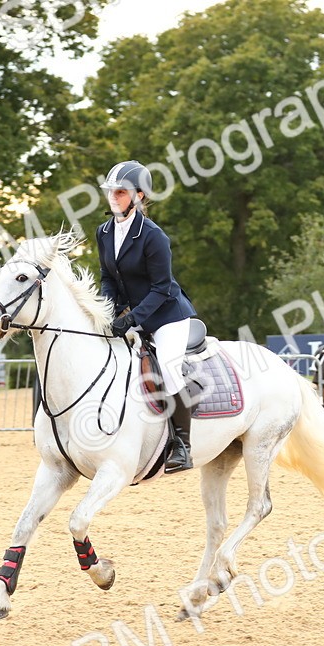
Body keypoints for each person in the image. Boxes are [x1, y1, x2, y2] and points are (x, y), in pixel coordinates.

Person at [96, 160, 197, 473]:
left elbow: (162, 288)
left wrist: (131, 319)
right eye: (110, 191)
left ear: (138, 196)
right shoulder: (104, 231)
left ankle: (182, 445)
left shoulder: (154, 236)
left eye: (121, 192)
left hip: (169, 316)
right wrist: (108, 311)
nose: (114, 196)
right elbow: (108, 278)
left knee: (168, 369)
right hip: (134, 314)